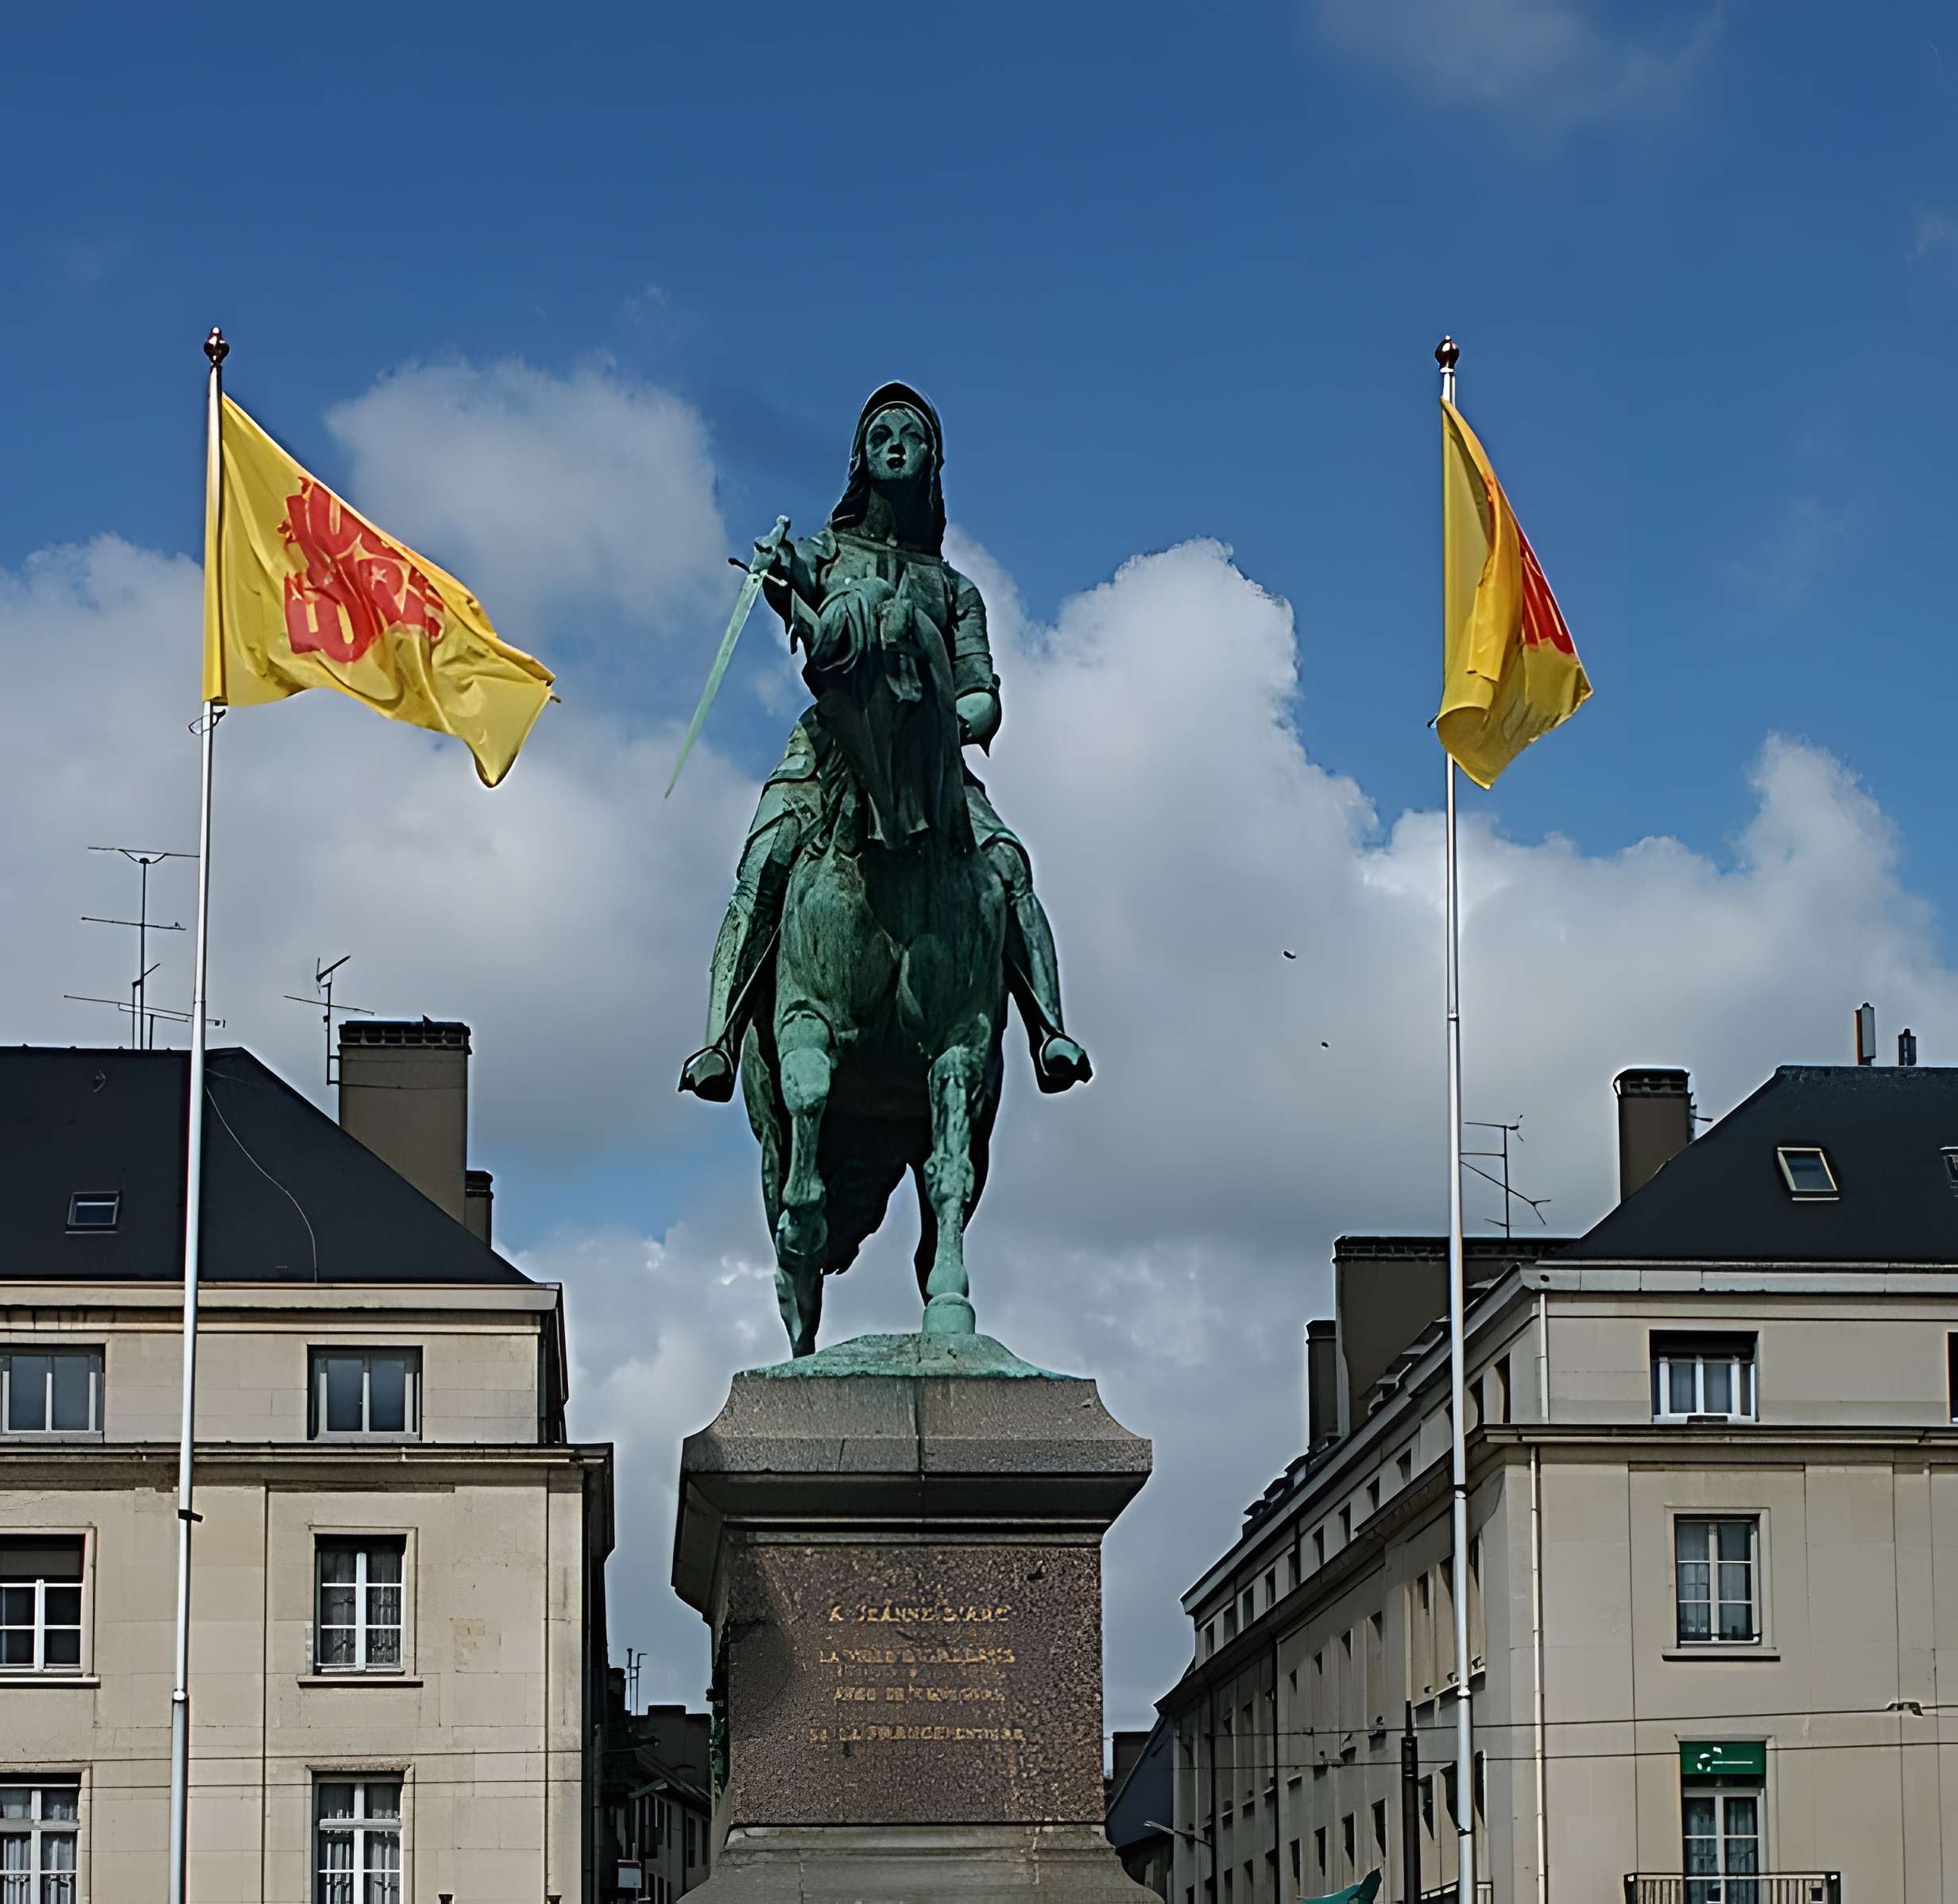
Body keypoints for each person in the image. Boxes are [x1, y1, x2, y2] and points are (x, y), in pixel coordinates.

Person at [678, 381, 1091, 1102]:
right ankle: (718, 1037)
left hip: (934, 763)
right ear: (861, 460)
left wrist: (950, 724)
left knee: (1006, 866)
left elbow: (982, 693)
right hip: (828, 750)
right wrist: (780, 571)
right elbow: (797, 580)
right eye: (880, 436)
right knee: (767, 860)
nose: (895, 444)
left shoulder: (957, 590)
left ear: (933, 460)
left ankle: (1047, 1029)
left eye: (911, 435)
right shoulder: (831, 549)